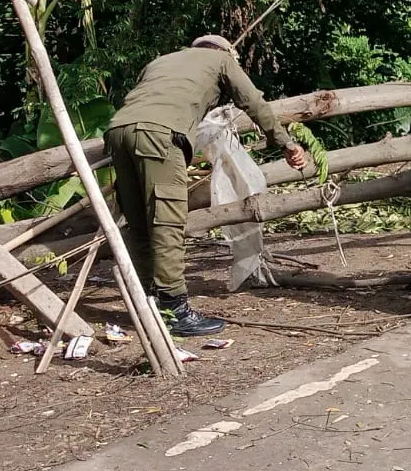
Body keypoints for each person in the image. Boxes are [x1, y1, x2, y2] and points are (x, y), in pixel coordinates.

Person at [105, 35, 307, 337]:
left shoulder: (160, 61)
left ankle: (148, 302)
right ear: (224, 52)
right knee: (167, 223)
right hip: (159, 137)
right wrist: (286, 143)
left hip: (118, 132)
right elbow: (253, 102)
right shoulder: (222, 60)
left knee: (139, 224)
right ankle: (175, 310)